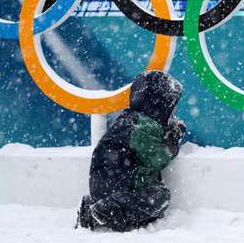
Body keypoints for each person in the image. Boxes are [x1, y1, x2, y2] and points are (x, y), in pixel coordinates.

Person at [77, 70, 186, 232]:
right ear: (159, 105)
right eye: (172, 108)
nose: (173, 114)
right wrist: (172, 142)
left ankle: (99, 209)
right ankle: (105, 211)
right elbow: (156, 159)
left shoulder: (129, 120)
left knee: (134, 215)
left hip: (105, 184)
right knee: (160, 196)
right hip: (123, 186)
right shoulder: (143, 126)